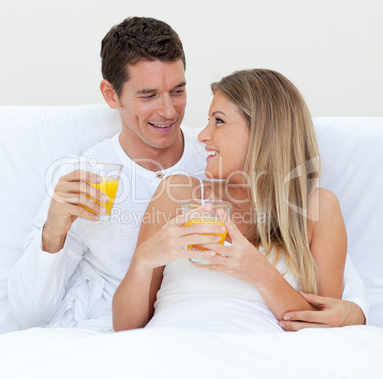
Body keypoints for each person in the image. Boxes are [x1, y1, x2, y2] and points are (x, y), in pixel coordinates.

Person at [8, 17, 366, 332]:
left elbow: (329, 301)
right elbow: (32, 314)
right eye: (148, 95)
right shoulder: (84, 181)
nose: (169, 110)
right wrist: (53, 232)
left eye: (178, 91)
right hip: (146, 334)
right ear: (111, 95)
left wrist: (358, 312)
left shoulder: (216, 157)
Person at [112, 69, 366, 333]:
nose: (202, 136)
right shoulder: (177, 194)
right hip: (172, 344)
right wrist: (143, 260)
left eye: (218, 121)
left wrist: (260, 272)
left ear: (264, 131)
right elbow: (125, 327)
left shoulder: (317, 208)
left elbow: (327, 328)